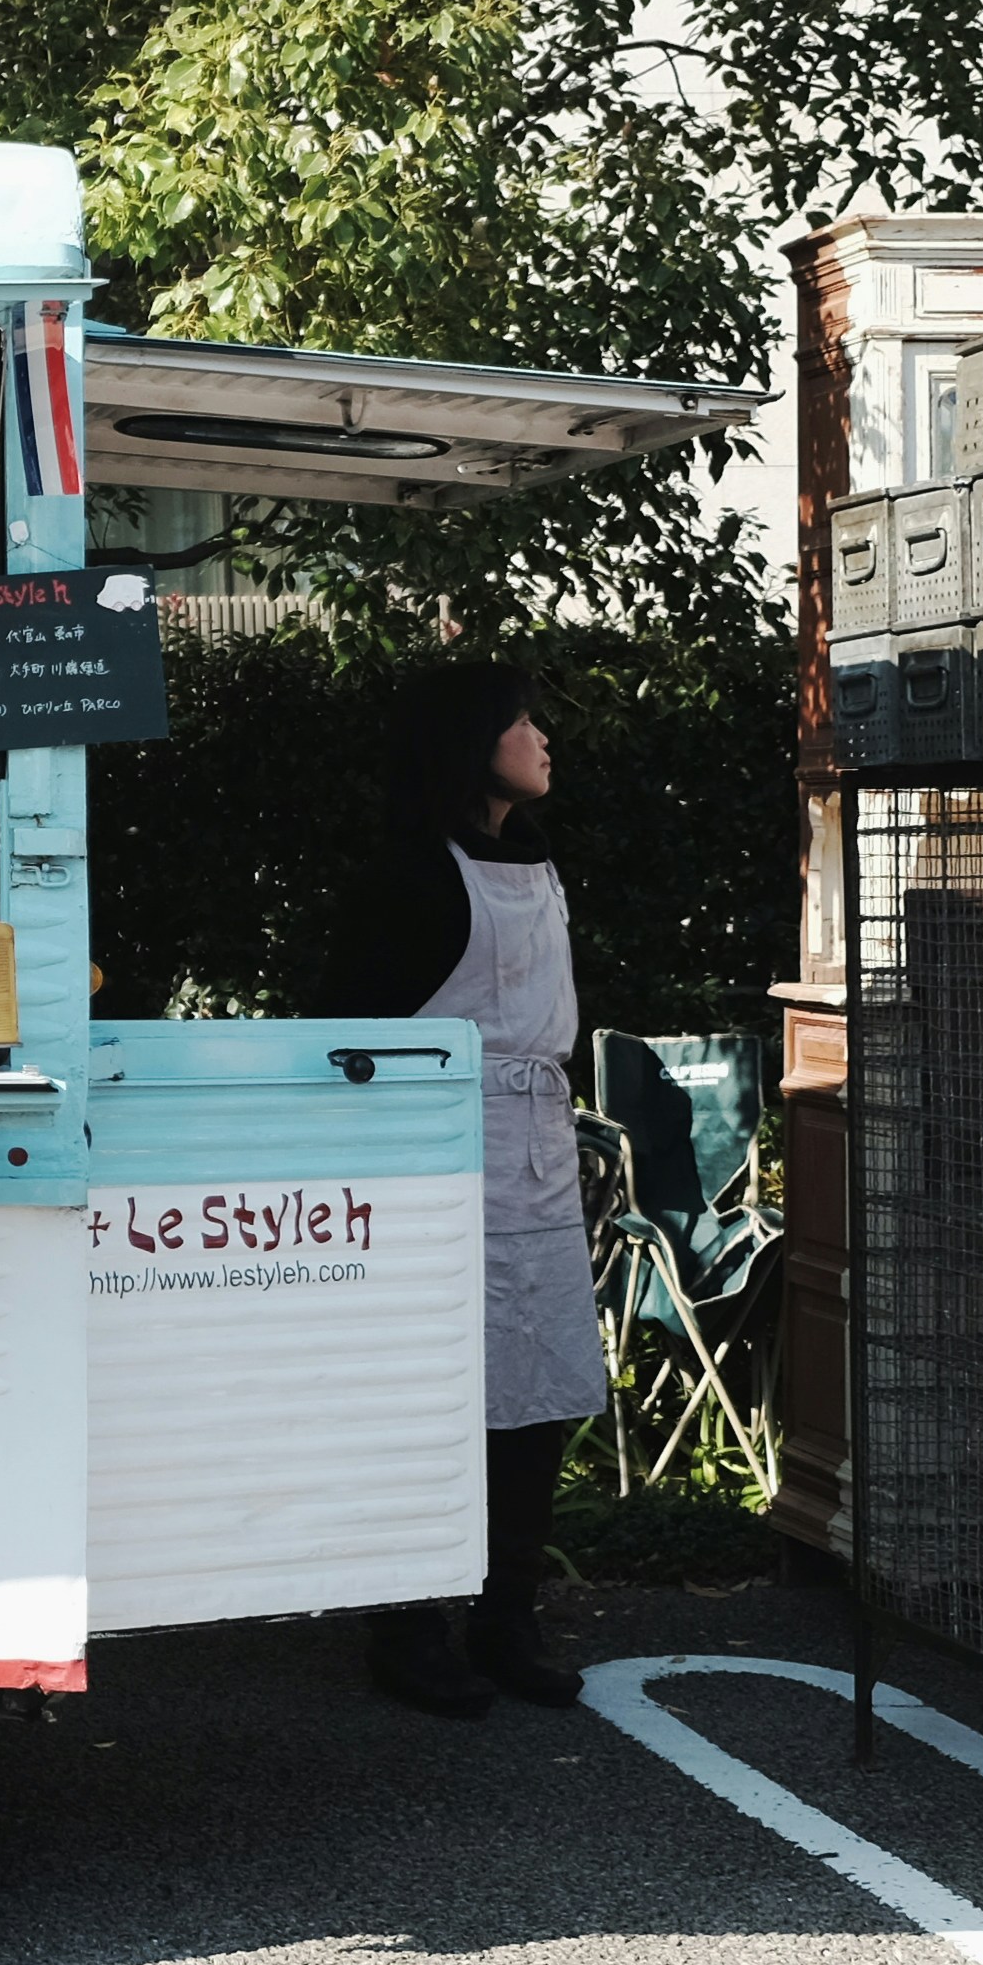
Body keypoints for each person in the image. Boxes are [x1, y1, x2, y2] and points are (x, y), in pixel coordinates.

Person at [315, 660, 597, 1717]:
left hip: (537, 1155)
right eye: (525, 719)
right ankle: (408, 1623)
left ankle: (506, 1615)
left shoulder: (537, 861)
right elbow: (340, 1028)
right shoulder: (409, 876)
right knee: (428, 1395)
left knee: (536, 1403)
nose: (541, 736)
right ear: (473, 742)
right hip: (433, 1164)